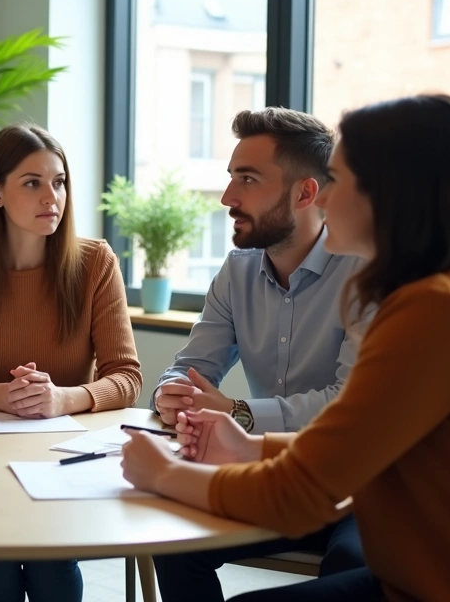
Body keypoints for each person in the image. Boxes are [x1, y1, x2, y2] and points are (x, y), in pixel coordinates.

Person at [121, 94, 450, 601]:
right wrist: (251, 446)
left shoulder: (440, 311)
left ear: (389, 195)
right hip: (443, 572)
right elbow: (365, 444)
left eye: (337, 181)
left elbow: (304, 491)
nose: (323, 199)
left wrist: (163, 473)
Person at [148, 108, 366, 601]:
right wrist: (173, 392)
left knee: (353, 565)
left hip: (355, 485)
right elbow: (190, 366)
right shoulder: (237, 270)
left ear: (305, 193)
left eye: (247, 180)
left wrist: (239, 413)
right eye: (230, 178)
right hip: (274, 474)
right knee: (172, 538)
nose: (227, 198)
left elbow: (346, 407)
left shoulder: (364, 273)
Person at [0, 123, 143, 602]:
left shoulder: (94, 263)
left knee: (51, 561)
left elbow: (126, 377)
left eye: (59, 182)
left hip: (67, 456)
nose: (52, 196)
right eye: (33, 183)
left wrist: (61, 398)